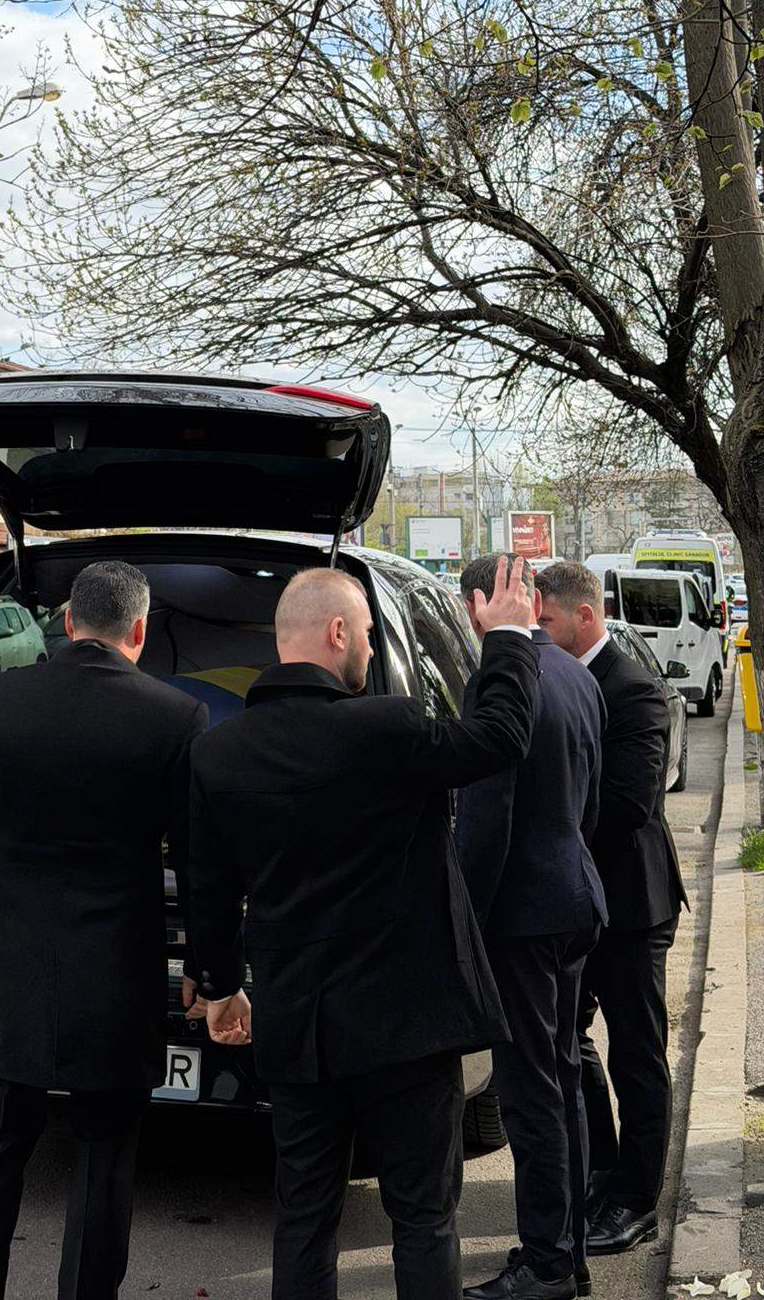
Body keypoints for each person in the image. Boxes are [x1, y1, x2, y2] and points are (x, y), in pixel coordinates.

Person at [187, 558, 540, 1300]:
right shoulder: (389, 727)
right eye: (371, 635)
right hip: (407, 1027)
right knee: (421, 1218)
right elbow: (501, 737)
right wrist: (507, 637)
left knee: (304, 1219)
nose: (373, 650)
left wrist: (220, 991)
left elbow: (209, 890)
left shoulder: (220, 753)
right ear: (338, 631)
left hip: (298, 1026)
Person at [0, 560, 208, 1300]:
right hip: (117, 968)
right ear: (140, 631)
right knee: (104, 1152)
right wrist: (208, 968)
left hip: (15, 958)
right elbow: (195, 859)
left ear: (66, 622)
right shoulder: (174, 715)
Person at [455, 556, 607, 1300]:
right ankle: (566, 1249)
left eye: (467, 607)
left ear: (485, 604)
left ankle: (546, 1262)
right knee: (564, 1080)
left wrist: (467, 922)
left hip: (521, 914)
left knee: (532, 1093)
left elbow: (485, 824)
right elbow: (590, 804)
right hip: (574, 898)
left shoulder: (499, 680)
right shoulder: (578, 673)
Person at [537, 561, 687, 1257]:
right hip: (576, 900)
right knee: (571, 1040)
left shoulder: (634, 691)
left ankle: (637, 1202)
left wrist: (545, 817)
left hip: (632, 906)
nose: (538, 631)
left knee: (637, 1054)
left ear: (584, 617)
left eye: (546, 621)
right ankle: (603, 1169)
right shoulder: (554, 679)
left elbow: (631, 803)